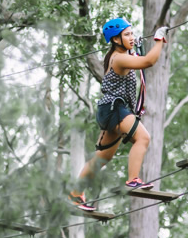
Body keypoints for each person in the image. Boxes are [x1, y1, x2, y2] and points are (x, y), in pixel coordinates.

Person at [70, 18, 168, 211]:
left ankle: (75, 194)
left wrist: (135, 46)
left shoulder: (121, 55)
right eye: (127, 34)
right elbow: (149, 61)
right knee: (143, 138)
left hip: (110, 110)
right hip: (115, 108)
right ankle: (133, 180)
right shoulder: (119, 58)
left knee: (102, 158)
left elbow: (136, 59)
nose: (131, 37)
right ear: (116, 40)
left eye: (131, 33)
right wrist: (158, 40)